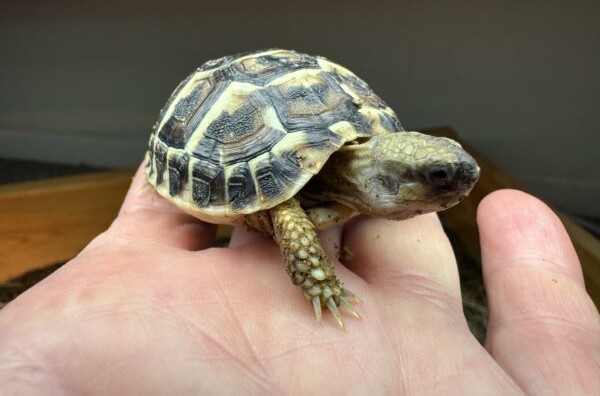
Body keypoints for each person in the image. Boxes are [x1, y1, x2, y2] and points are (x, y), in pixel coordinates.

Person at [0, 164, 598, 395]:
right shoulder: (297, 204)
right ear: (390, 178)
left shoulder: (361, 180)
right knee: (288, 210)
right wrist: (318, 280)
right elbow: (285, 208)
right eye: (437, 179)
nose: (455, 189)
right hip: (249, 162)